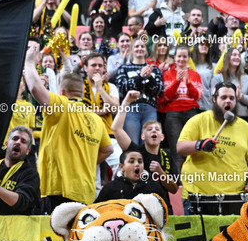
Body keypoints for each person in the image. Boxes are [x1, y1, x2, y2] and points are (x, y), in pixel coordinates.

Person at [24, 42, 113, 212]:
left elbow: (35, 88)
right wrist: (85, 159)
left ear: (62, 92)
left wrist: (29, 62)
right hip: (86, 194)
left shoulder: (62, 105)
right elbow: (108, 149)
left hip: (59, 191)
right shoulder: (96, 119)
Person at [177, 82, 248, 215]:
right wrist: (200, 145)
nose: (228, 101)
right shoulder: (198, 120)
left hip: (235, 197)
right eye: (223, 97)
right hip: (198, 195)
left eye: (232, 98)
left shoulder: (245, 127)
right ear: (214, 99)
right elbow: (180, 148)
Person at [112, 90, 180, 212]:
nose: (153, 131)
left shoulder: (167, 155)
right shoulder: (136, 152)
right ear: (142, 136)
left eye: (157, 129)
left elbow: (174, 189)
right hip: (139, 209)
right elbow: (116, 128)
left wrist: (160, 173)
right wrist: (126, 102)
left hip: (163, 208)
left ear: (162, 137)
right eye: (149, 129)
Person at [79, 53, 121, 193]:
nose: (97, 68)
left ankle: (113, 194)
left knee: (122, 163)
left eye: (100, 65)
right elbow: (78, 111)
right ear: (86, 68)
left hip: (107, 134)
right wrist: (103, 110)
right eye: (93, 65)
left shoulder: (110, 86)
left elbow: (115, 108)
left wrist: (100, 88)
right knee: (94, 178)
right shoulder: (79, 85)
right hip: (84, 134)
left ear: (104, 68)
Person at [115, 38, 163, 144]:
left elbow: (159, 91)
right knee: (132, 143)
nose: (139, 48)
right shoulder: (124, 68)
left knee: (149, 144)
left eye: (142, 46)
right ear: (132, 50)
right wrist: (140, 77)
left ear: (146, 50)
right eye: (136, 46)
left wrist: (150, 78)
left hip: (150, 109)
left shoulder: (155, 69)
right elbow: (122, 88)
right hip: (131, 108)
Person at [162, 45, 202, 162]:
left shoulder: (195, 75)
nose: (181, 59)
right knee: (176, 151)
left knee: (192, 148)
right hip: (173, 114)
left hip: (191, 112)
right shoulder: (167, 74)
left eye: (184, 57)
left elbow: (198, 96)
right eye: (179, 56)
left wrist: (188, 82)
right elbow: (166, 96)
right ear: (174, 57)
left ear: (188, 58)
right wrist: (177, 81)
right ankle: (178, 174)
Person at [95, 149, 166, 202]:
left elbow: (166, 211)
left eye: (140, 162)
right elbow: (97, 211)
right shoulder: (110, 188)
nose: (137, 164)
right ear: (121, 167)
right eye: (131, 161)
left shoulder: (154, 186)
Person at [211, 47, 248, 124]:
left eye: (239, 56)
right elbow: (213, 98)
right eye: (234, 55)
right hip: (222, 116)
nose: (237, 57)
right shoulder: (218, 78)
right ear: (227, 58)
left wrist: (241, 97)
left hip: (242, 116)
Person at [190, 37, 213, 112]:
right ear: (196, 47)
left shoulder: (212, 67)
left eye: (207, 45)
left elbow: (212, 87)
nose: (204, 46)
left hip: (207, 104)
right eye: (202, 44)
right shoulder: (189, 65)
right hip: (192, 105)